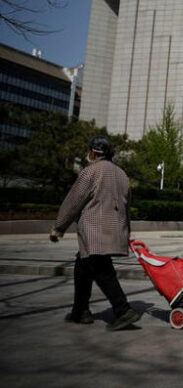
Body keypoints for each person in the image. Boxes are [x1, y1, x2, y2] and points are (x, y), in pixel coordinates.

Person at [50, 135, 141, 331]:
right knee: (82, 266)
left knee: (101, 269)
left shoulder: (90, 172)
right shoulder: (122, 174)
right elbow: (128, 207)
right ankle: (80, 311)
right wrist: (127, 232)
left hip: (94, 230)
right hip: (115, 229)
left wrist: (59, 227)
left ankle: (123, 310)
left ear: (94, 152)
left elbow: (74, 202)